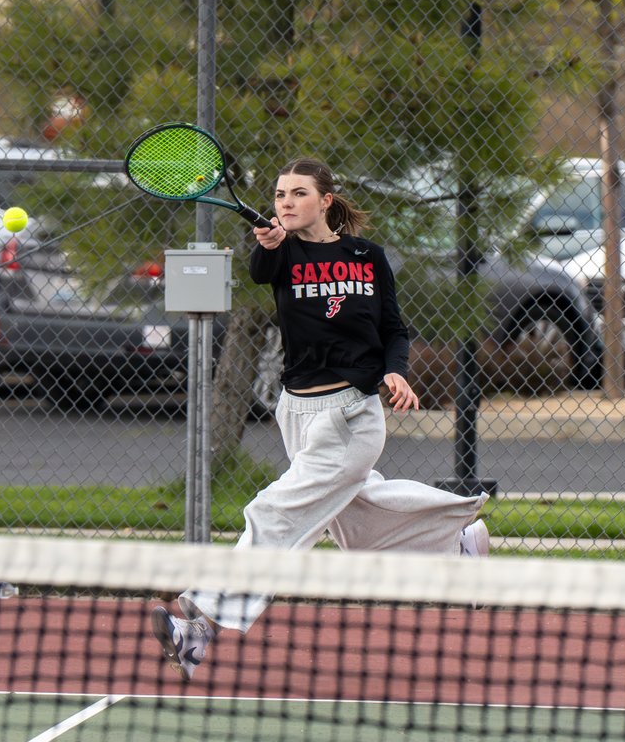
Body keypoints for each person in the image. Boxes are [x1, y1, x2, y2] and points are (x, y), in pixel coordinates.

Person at [151, 157, 489, 681]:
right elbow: (260, 269)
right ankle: (456, 545)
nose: (285, 202)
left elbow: (394, 329)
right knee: (355, 522)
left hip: (352, 417)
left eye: (298, 193)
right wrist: (268, 243)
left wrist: (395, 371)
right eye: (279, 194)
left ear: (325, 200)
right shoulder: (281, 251)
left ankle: (200, 628)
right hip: (297, 411)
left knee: (274, 513)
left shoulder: (367, 256)